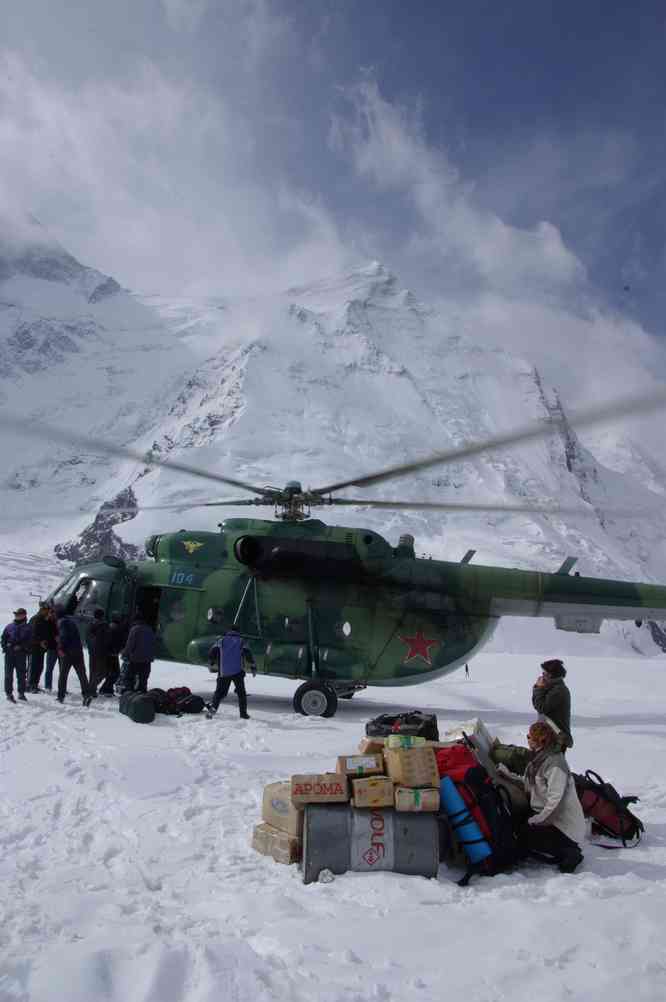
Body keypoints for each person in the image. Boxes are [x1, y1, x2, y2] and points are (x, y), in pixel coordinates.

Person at [499, 721, 585, 874]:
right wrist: (507, 776)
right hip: (548, 818)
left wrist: (536, 821)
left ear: (541, 741)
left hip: (564, 827)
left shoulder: (556, 765)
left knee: (522, 834)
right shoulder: (540, 758)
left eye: (530, 737)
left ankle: (570, 853)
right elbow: (529, 786)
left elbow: (555, 804)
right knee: (514, 823)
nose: (528, 739)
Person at [206, 624, 256, 719]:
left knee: (219, 693)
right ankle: (243, 714)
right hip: (238, 672)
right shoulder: (242, 641)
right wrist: (253, 666)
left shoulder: (221, 640)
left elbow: (212, 652)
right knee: (241, 694)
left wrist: (211, 662)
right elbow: (248, 653)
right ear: (238, 632)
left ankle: (211, 711)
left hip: (224, 672)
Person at [54, 604, 92, 706]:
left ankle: (61, 696)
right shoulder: (71, 621)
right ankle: (87, 695)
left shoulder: (62, 622)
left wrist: (60, 648)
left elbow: (63, 636)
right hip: (78, 651)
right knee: (82, 674)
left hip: (67, 653)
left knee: (63, 675)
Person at [532, 658, 573, 750]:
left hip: (557, 738)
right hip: (550, 736)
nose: (542, 676)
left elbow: (541, 708)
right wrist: (538, 688)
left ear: (550, 675)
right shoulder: (552, 687)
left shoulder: (558, 690)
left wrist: (538, 689)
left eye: (544, 673)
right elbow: (537, 705)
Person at [2, 607, 32, 703]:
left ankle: (21, 693)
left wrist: (21, 647)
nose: (17, 616)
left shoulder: (28, 628)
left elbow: (30, 641)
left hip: (21, 654)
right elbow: (3, 638)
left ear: (24, 615)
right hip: (9, 654)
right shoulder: (9, 626)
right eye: (16, 614)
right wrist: (5, 647)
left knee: (21, 674)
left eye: (19, 614)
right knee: (8, 675)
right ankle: (9, 694)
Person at [121, 615, 156, 693]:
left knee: (129, 677)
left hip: (135, 658)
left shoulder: (135, 629)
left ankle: (129, 692)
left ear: (136, 621)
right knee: (143, 678)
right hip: (147, 659)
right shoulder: (150, 630)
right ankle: (142, 692)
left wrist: (125, 653)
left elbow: (130, 644)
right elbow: (153, 644)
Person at [28, 602, 56, 692]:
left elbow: (49, 633)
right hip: (34, 647)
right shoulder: (35, 619)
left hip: (42, 648)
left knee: (40, 667)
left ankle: (35, 684)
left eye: (48, 610)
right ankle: (29, 685)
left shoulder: (46, 620)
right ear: (42, 610)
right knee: (33, 667)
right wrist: (40, 641)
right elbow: (32, 634)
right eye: (46, 610)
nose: (47, 612)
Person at [98, 614, 127, 695]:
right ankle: (105, 689)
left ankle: (107, 689)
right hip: (111, 654)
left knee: (112, 673)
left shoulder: (110, 627)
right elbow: (114, 642)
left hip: (110, 654)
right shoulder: (115, 629)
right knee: (115, 673)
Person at [87, 608, 111, 697]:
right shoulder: (104, 625)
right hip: (101, 652)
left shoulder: (90, 624)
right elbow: (107, 639)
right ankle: (91, 688)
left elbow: (87, 638)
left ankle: (91, 690)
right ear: (102, 616)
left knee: (92, 671)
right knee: (102, 672)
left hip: (92, 652)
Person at [43, 605, 59, 692]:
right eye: (51, 613)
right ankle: (48, 686)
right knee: (49, 668)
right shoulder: (47, 622)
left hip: (60, 647)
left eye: (54, 613)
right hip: (52, 648)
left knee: (62, 669)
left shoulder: (59, 621)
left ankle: (61, 687)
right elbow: (46, 634)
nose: (52, 614)